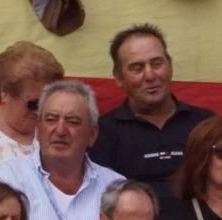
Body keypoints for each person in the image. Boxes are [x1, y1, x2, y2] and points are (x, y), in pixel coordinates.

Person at [0, 80, 126, 220]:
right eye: (51, 119)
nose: (60, 130)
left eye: (73, 121)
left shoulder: (117, 188)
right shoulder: (6, 181)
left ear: (92, 135)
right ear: (38, 129)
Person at [88, 25, 214, 205]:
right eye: (137, 68)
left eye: (157, 63)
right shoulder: (103, 134)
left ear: (170, 66)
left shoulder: (205, 124)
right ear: (118, 77)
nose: (150, 75)